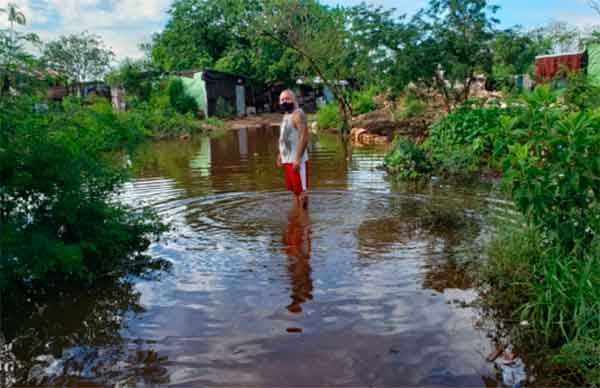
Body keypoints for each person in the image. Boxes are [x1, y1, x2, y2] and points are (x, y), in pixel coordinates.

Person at [277, 90, 309, 209]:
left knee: (302, 192)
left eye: (287, 98)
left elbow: (304, 136)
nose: (284, 101)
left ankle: (305, 222)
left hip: (296, 161)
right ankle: (297, 218)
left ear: (294, 100)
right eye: (282, 99)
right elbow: (284, 136)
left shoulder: (298, 114)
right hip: (287, 159)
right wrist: (280, 154)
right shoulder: (286, 115)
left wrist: (298, 158)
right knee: (294, 191)